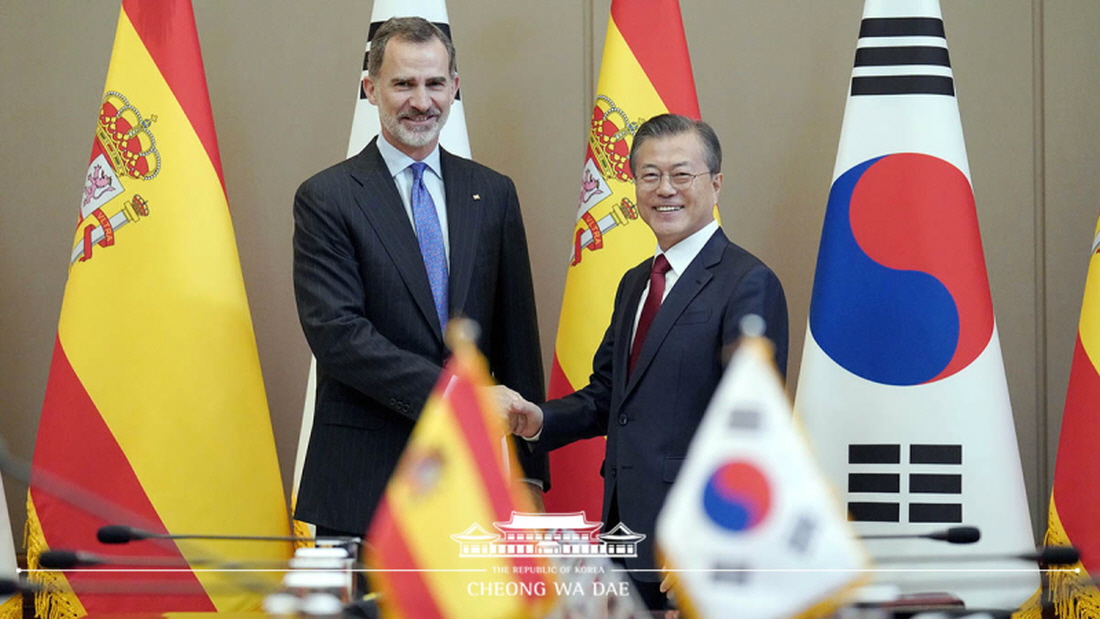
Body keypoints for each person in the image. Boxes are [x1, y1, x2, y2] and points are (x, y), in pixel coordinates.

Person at [505, 114, 788, 611]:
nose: (665, 190)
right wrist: (538, 420)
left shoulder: (747, 283)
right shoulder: (636, 282)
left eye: (682, 174)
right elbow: (609, 395)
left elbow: (750, 430)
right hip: (623, 534)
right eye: (650, 175)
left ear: (716, 184)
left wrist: (712, 545)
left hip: (692, 543)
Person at [292, 16, 546, 541]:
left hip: (473, 484)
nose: (421, 101)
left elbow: (515, 335)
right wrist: (461, 395)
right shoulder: (328, 198)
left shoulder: (493, 192)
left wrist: (530, 473)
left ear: (454, 86)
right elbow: (338, 336)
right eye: (403, 83)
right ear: (371, 89)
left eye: (434, 83)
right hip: (363, 483)